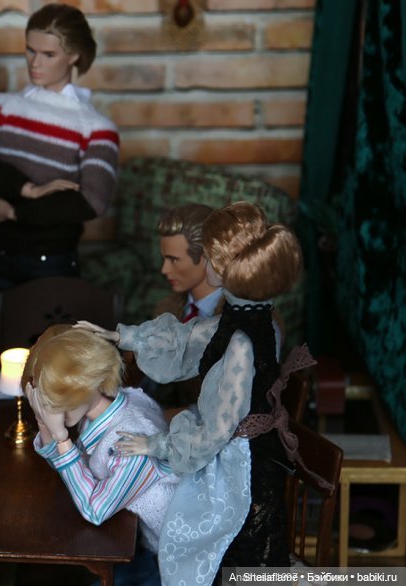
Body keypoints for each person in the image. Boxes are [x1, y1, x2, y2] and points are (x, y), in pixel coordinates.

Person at [76, 201, 307, 585]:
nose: (207, 264)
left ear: (227, 267)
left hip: (239, 464)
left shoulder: (243, 340)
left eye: (211, 258)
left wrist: (158, 444)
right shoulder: (252, 315)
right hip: (239, 448)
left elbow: (217, 429)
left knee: (204, 544)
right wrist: (122, 335)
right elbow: (190, 336)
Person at [0, 3, 119, 291]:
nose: (35, 63)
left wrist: (13, 212)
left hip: (52, 261)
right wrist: (27, 189)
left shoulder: (96, 127)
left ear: (74, 56)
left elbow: (92, 201)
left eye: (49, 54)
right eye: (30, 50)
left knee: (48, 322)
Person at [23, 325, 178, 586]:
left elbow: (95, 510)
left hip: (180, 552)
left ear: (89, 383)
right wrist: (43, 422)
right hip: (142, 540)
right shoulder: (105, 409)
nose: (52, 408)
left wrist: (61, 438)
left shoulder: (128, 441)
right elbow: (79, 472)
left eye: (58, 398)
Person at [141, 203, 222, 408]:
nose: (164, 269)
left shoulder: (243, 316)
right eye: (164, 259)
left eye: (174, 260)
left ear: (206, 257)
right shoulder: (167, 308)